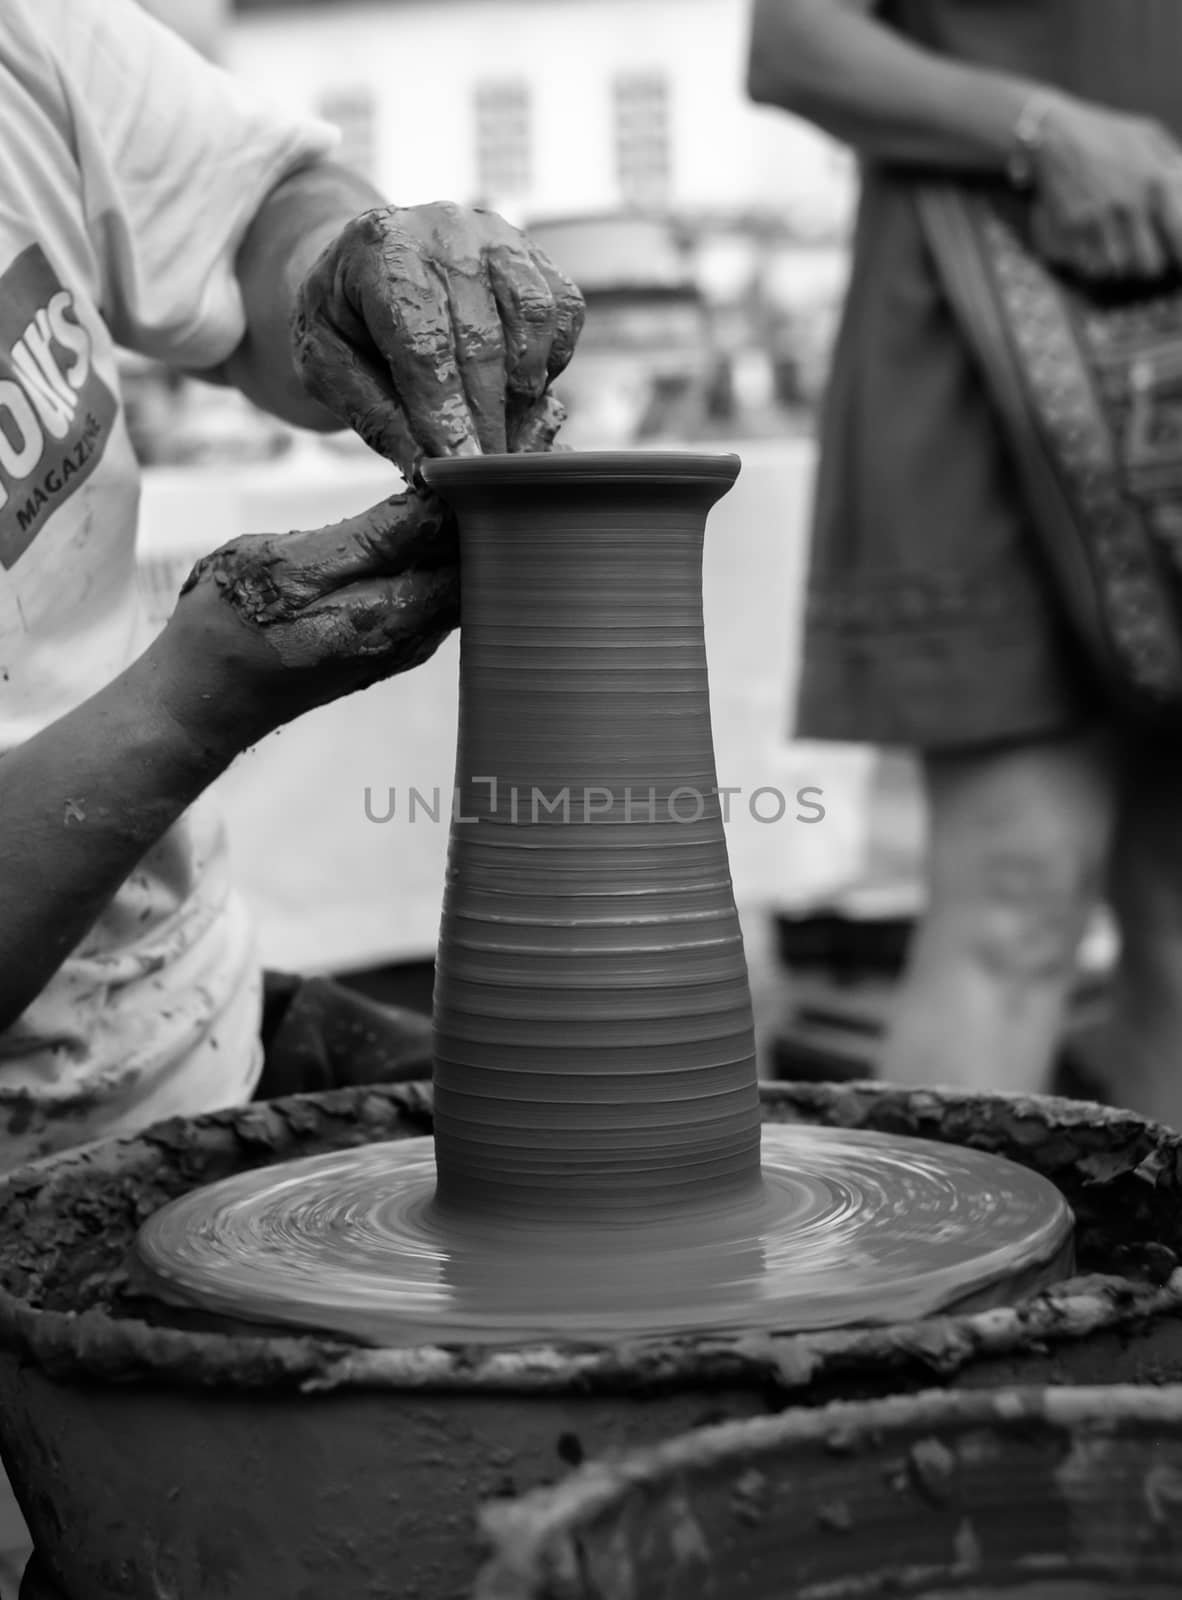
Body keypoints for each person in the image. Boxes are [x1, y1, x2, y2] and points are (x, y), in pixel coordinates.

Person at [0, 0, 584, 1176]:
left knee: (594, 1130)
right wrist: (183, 707)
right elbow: (179, 702)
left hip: (179, 1017)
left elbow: (250, 211)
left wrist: (338, 271)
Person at [747, 0, 1182, 1125]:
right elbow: (795, 41)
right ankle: (960, 1293)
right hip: (981, 324)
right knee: (1014, 889)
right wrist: (1041, 128)